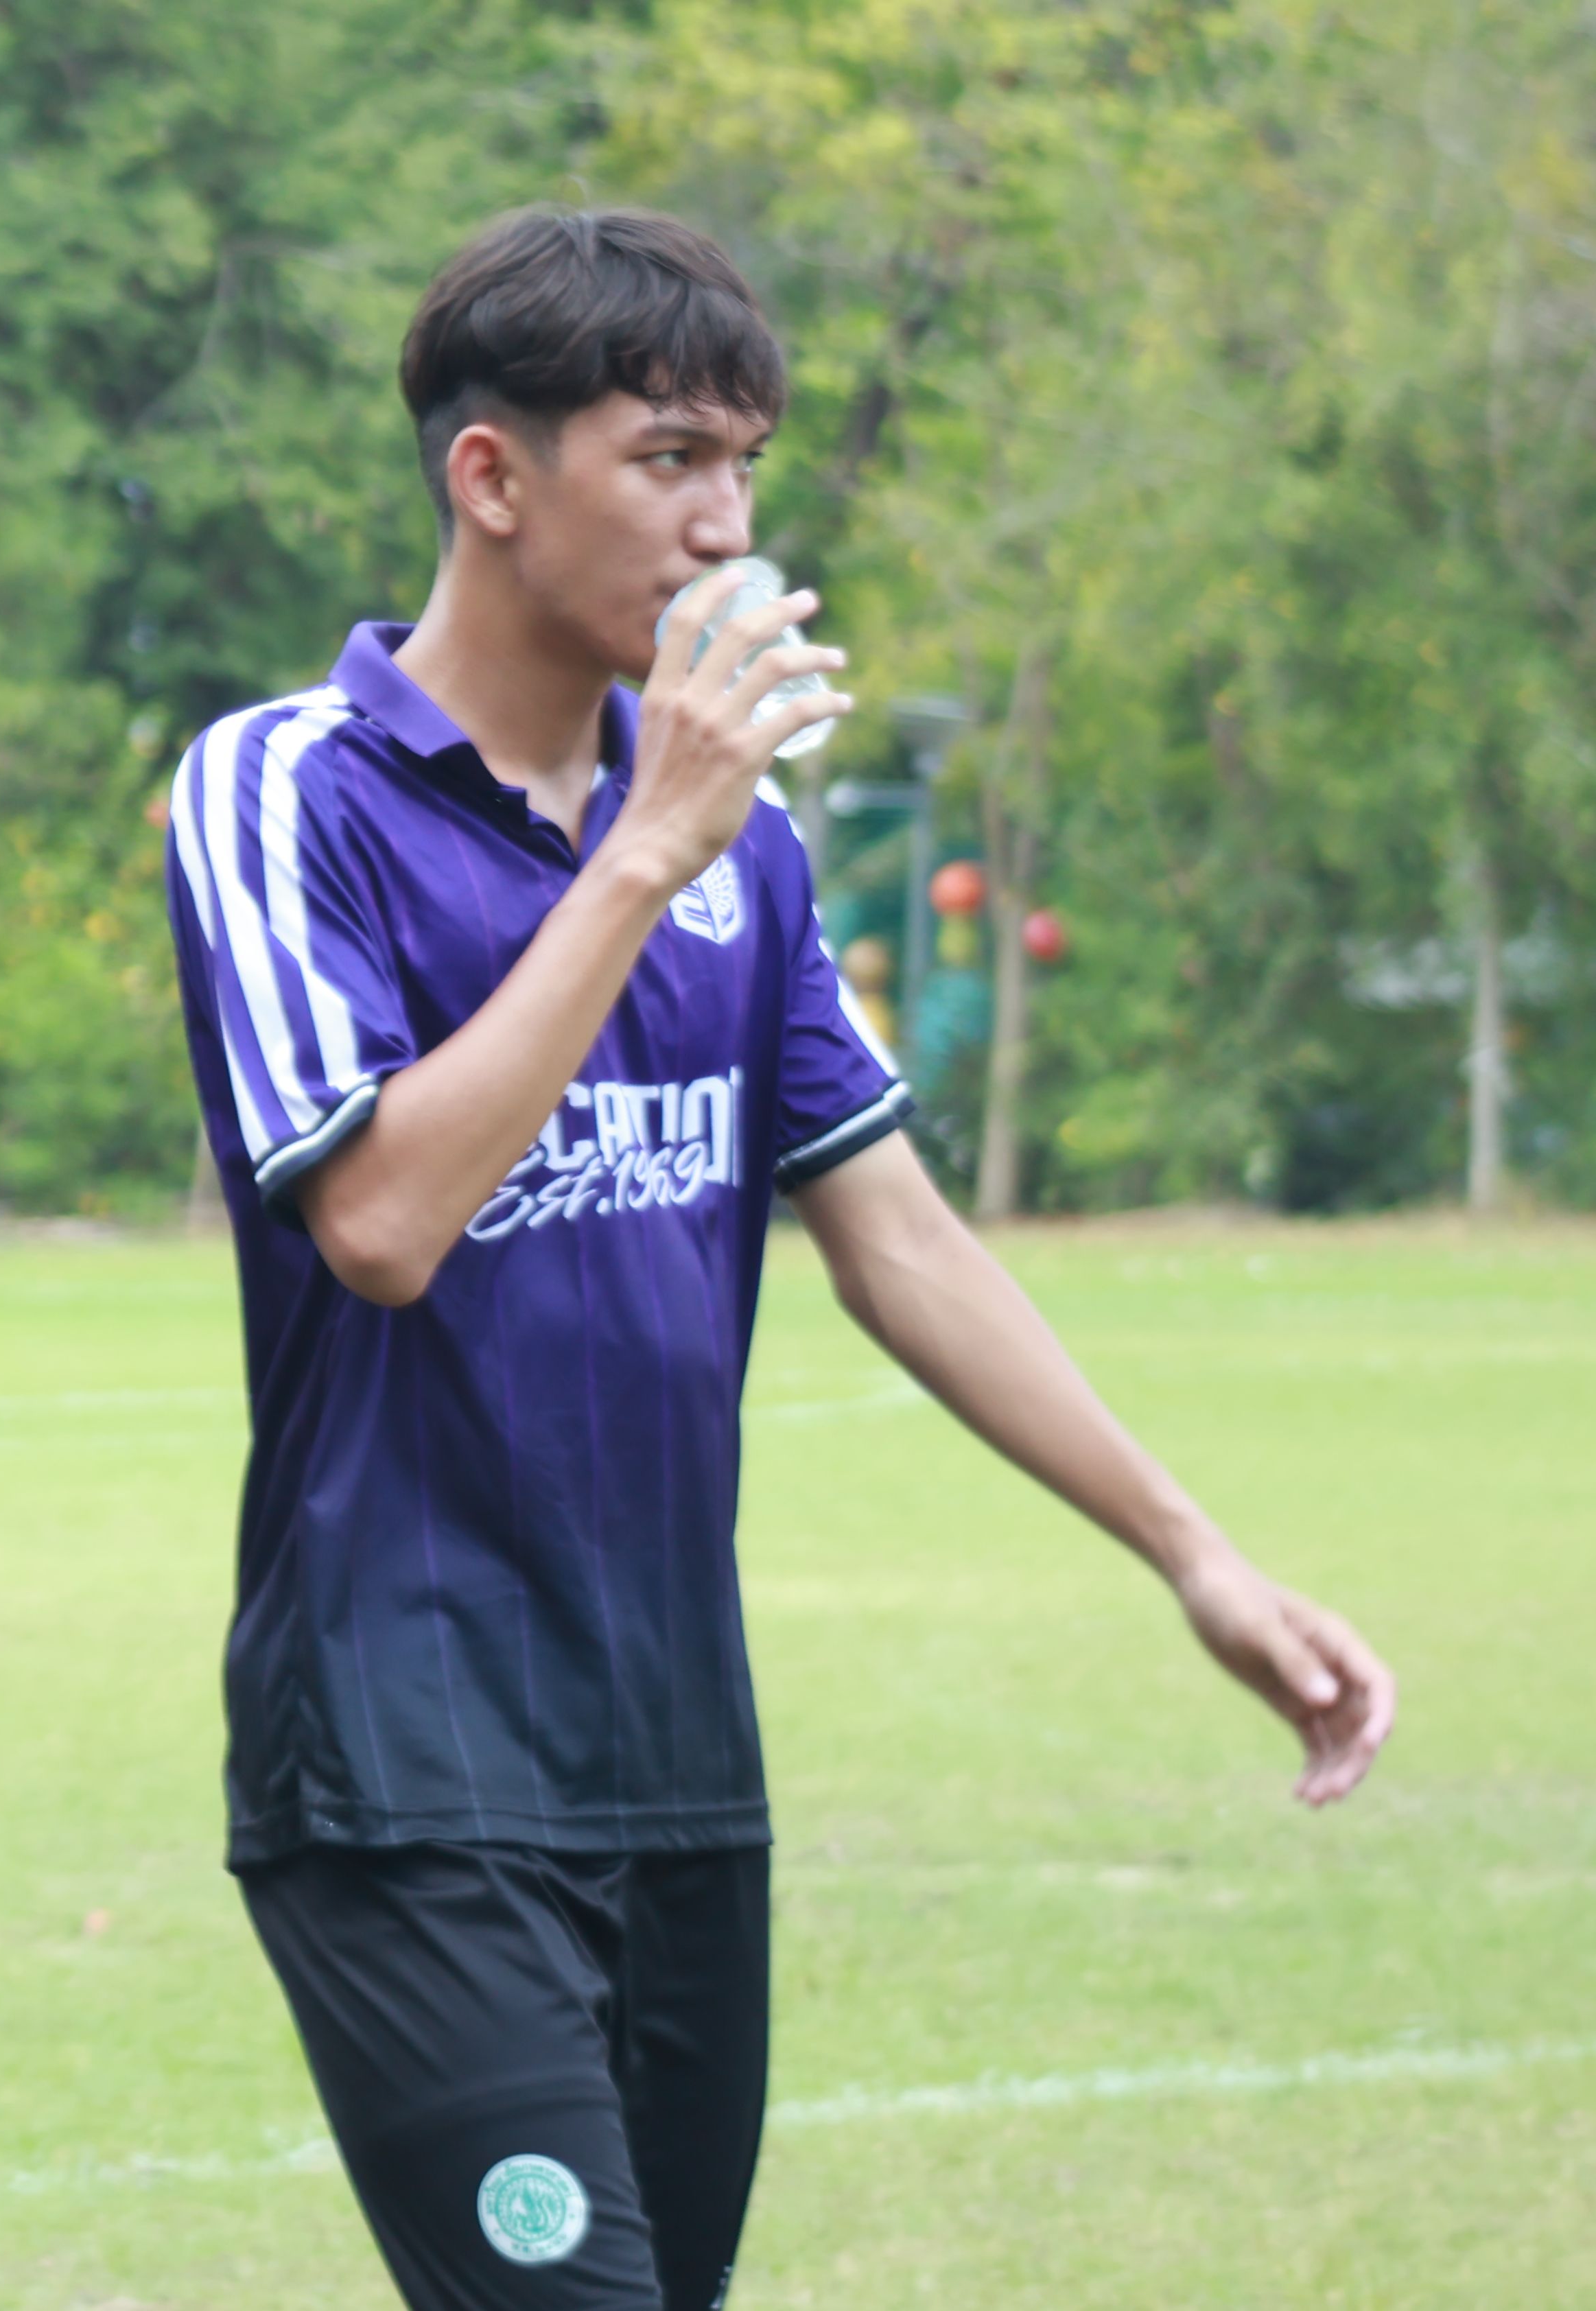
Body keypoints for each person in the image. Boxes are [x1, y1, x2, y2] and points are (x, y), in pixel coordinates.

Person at [162, 209, 1396, 2311]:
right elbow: (376, 1224)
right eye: (669, 459)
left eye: (744, 466)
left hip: (676, 1760)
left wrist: (1197, 1556)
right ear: (491, 475)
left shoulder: (753, 849)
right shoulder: (289, 789)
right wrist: (648, 850)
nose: (726, 525)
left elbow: (895, 1236)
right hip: (403, 1762)